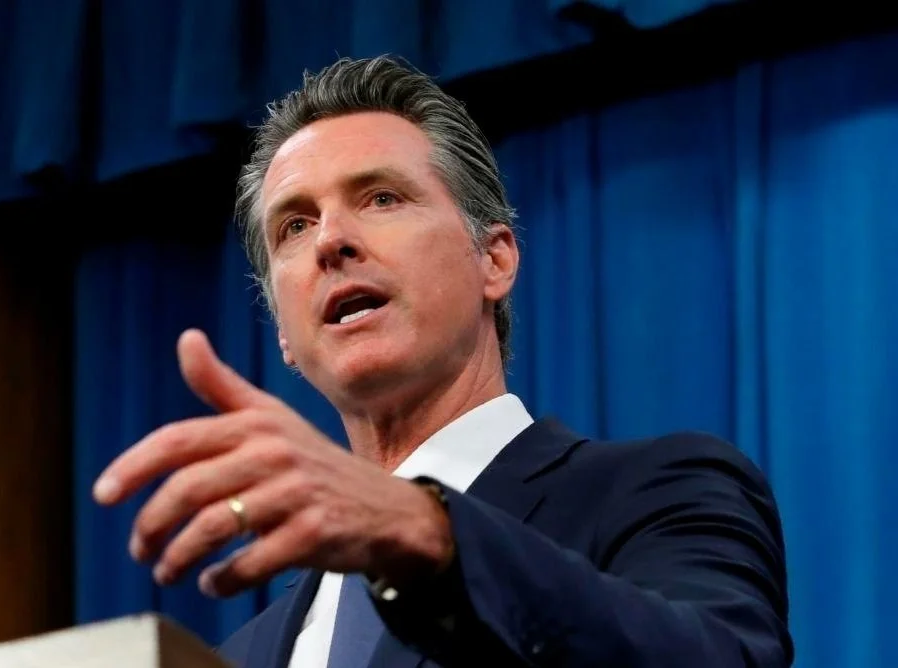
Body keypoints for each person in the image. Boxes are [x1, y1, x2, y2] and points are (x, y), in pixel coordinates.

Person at [92, 55, 793, 667]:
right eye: (295, 225)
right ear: (281, 330)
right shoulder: (238, 657)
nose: (330, 241)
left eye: (382, 197)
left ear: (495, 260)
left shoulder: (656, 493)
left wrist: (423, 529)